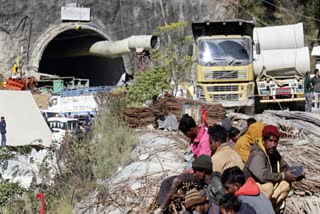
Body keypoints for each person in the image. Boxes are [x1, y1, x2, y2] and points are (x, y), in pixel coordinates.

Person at [243, 125, 304, 212]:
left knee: (286, 184)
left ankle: (271, 209)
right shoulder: (258, 154)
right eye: (270, 141)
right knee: (268, 187)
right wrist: (283, 175)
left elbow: (284, 168)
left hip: (264, 193)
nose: (273, 145)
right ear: (263, 141)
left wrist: (296, 174)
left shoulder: (274, 153)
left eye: (275, 141)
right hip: (250, 190)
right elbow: (262, 176)